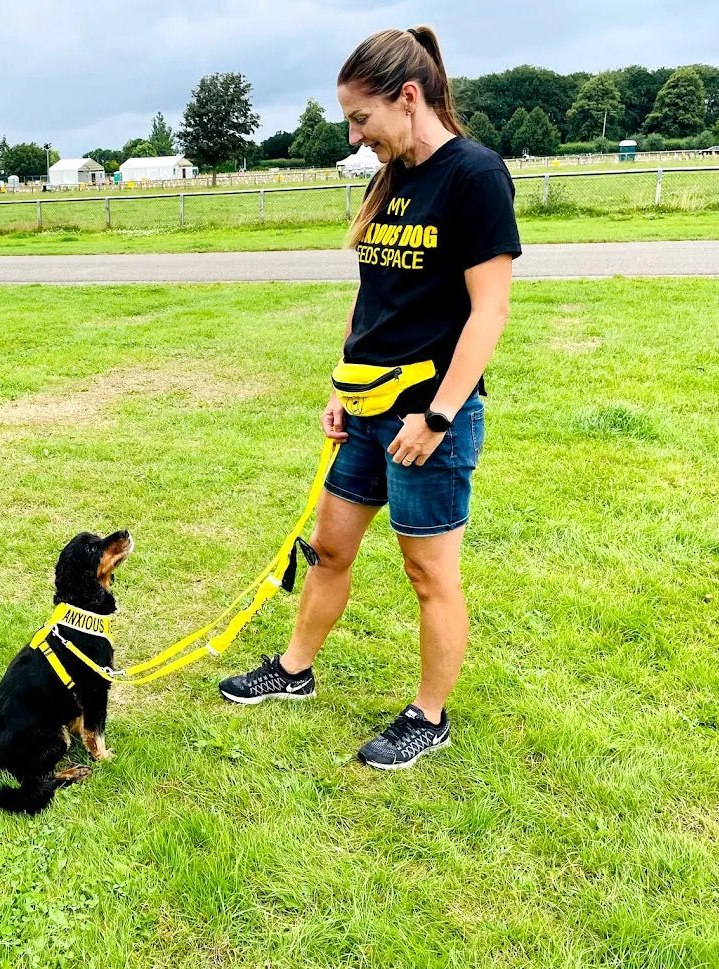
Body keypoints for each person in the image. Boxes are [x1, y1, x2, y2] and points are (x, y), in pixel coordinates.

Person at [219, 25, 521, 770]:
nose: (356, 137)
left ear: (408, 97)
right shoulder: (387, 180)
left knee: (428, 574)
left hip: (427, 414)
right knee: (327, 549)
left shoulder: (473, 176)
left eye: (361, 119)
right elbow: (374, 296)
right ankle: (292, 670)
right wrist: (339, 383)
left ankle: (429, 714)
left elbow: (489, 311)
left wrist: (438, 415)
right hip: (364, 406)